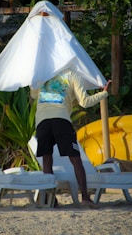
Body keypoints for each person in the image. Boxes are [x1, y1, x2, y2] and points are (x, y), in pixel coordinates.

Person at [30, 68, 111, 209]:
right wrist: (103, 93)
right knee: (75, 159)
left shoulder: (43, 74)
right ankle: (85, 197)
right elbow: (84, 102)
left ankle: (51, 200)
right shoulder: (72, 74)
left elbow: (34, 94)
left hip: (42, 122)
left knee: (47, 159)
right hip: (61, 121)